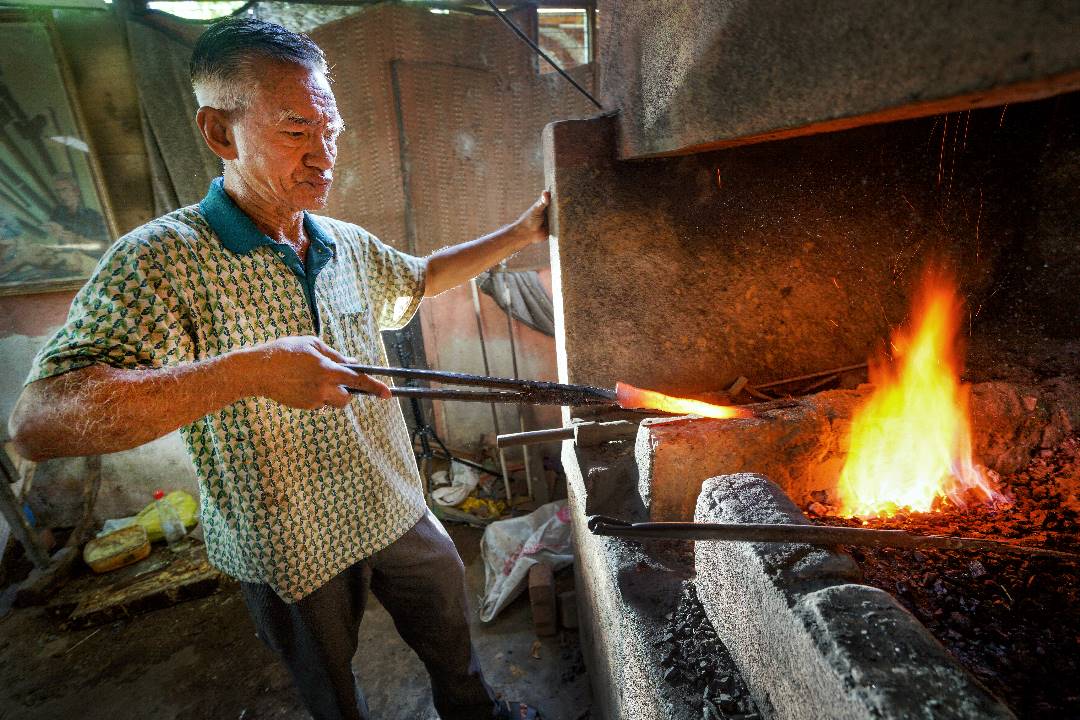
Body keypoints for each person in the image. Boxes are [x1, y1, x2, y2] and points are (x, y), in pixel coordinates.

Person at [8, 18, 546, 720]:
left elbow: (420, 277)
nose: (325, 157)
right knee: (331, 695)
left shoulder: (342, 242)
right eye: (296, 133)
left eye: (331, 133)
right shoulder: (161, 259)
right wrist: (249, 371)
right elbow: (38, 421)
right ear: (220, 134)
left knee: (455, 648)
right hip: (288, 544)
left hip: (392, 505)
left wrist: (526, 231)